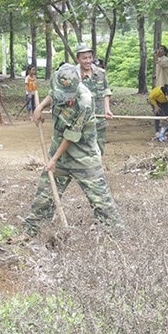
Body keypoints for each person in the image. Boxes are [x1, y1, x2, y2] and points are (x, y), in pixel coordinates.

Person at [25, 63, 121, 234]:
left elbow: (71, 135)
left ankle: (115, 234)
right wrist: (39, 107)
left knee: (101, 200)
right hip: (59, 151)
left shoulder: (85, 101)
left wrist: (53, 160)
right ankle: (32, 231)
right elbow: (52, 94)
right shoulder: (59, 82)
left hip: (83, 155)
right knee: (45, 195)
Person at [75, 43, 113, 156]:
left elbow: (106, 91)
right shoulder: (73, 75)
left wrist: (107, 109)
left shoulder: (100, 73)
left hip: (99, 119)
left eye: (90, 57)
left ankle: (97, 172)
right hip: (82, 121)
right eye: (84, 58)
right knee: (82, 151)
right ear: (78, 59)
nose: (88, 61)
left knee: (99, 150)